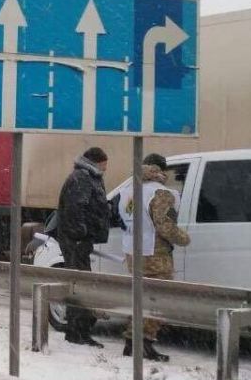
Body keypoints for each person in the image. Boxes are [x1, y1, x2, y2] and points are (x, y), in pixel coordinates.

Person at [117, 153, 190, 362]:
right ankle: (144, 343)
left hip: (132, 252)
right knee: (156, 298)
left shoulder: (129, 190)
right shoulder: (160, 192)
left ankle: (131, 343)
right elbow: (165, 225)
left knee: (139, 297)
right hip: (154, 253)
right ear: (162, 170)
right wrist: (184, 238)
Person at [55, 147, 111, 347]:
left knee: (81, 283)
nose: (106, 168)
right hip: (76, 241)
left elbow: (94, 207)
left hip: (80, 241)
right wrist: (80, 234)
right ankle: (77, 331)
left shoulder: (90, 177)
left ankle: (79, 330)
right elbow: (75, 209)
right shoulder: (82, 178)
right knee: (79, 285)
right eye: (104, 164)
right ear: (95, 162)